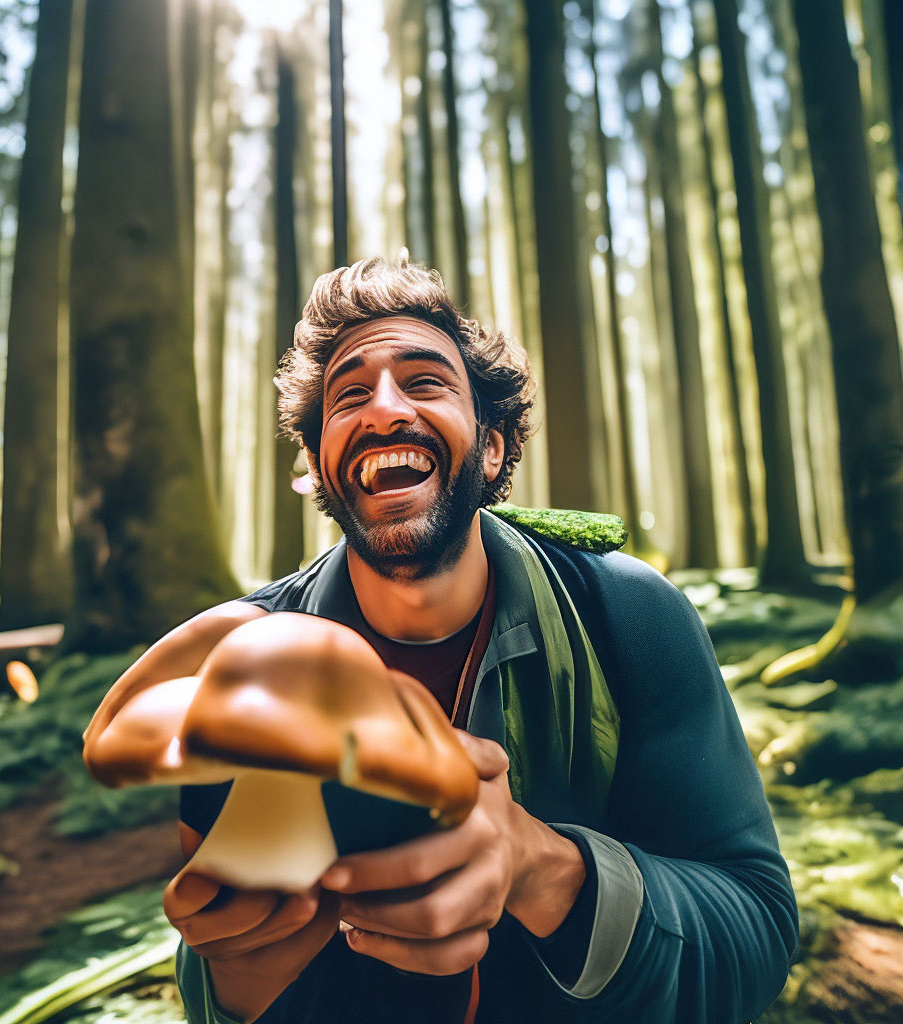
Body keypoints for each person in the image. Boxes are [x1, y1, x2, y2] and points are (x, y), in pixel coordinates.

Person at [144, 256, 798, 1023]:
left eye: (424, 381)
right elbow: (215, 974)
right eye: (348, 394)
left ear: (490, 448)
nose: (383, 409)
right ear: (322, 463)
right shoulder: (251, 665)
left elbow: (756, 931)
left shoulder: (626, 614)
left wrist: (544, 870)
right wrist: (236, 978)